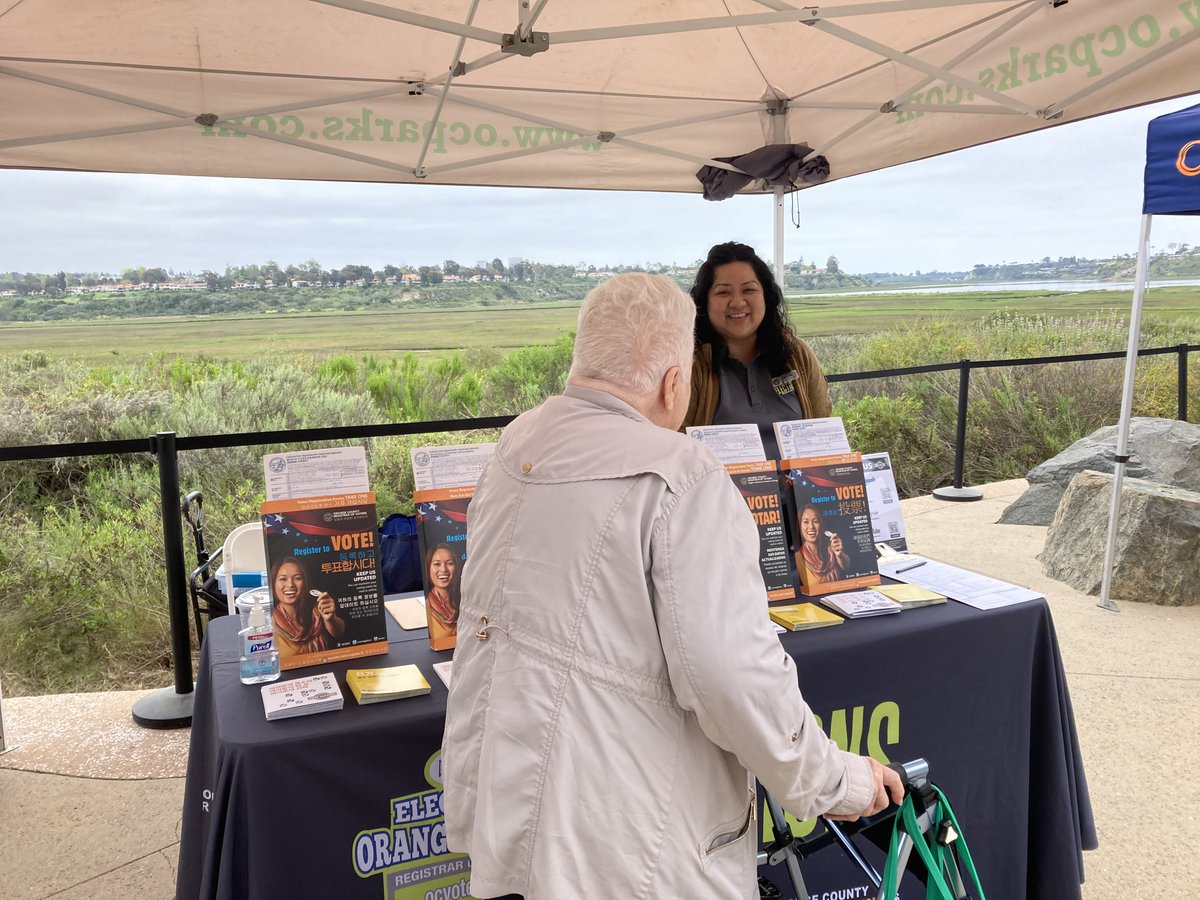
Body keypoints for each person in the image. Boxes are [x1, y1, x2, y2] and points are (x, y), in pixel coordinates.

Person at [442, 273, 902, 900]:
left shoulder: (516, 444)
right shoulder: (684, 477)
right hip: (627, 846)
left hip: (512, 814)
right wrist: (837, 782)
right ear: (673, 380)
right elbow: (733, 678)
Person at [683, 241, 832, 459]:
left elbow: (822, 432)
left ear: (766, 296)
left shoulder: (796, 354)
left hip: (799, 491)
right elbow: (675, 444)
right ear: (704, 302)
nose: (737, 302)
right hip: (719, 493)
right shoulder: (689, 363)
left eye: (749, 289)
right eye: (723, 292)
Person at [269, 556, 345, 658]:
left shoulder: (317, 611)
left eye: (297, 578)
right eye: (283, 579)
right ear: (273, 584)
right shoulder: (269, 622)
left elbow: (339, 632)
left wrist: (331, 618)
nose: (290, 584)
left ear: (305, 583)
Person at [796, 503, 849, 585]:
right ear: (800, 525)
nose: (811, 526)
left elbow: (847, 566)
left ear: (821, 524)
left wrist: (839, 554)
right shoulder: (798, 557)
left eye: (815, 521)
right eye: (806, 522)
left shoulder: (830, 548)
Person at [424, 543, 461, 647]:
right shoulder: (429, 607)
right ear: (428, 567)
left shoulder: (465, 601)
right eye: (436, 564)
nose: (443, 569)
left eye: (449, 563)